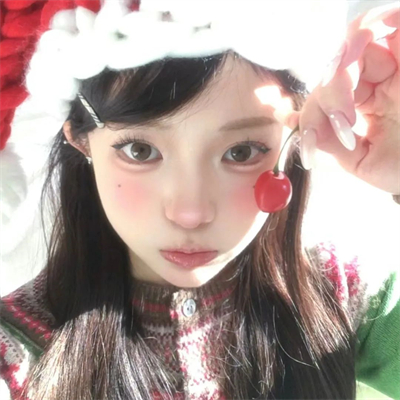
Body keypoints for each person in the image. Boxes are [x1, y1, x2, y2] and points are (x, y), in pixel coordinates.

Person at [0, 1, 399, 399]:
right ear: (80, 139)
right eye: (140, 151)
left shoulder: (345, 295)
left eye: (241, 152)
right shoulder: (18, 347)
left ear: (295, 138)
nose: (190, 213)